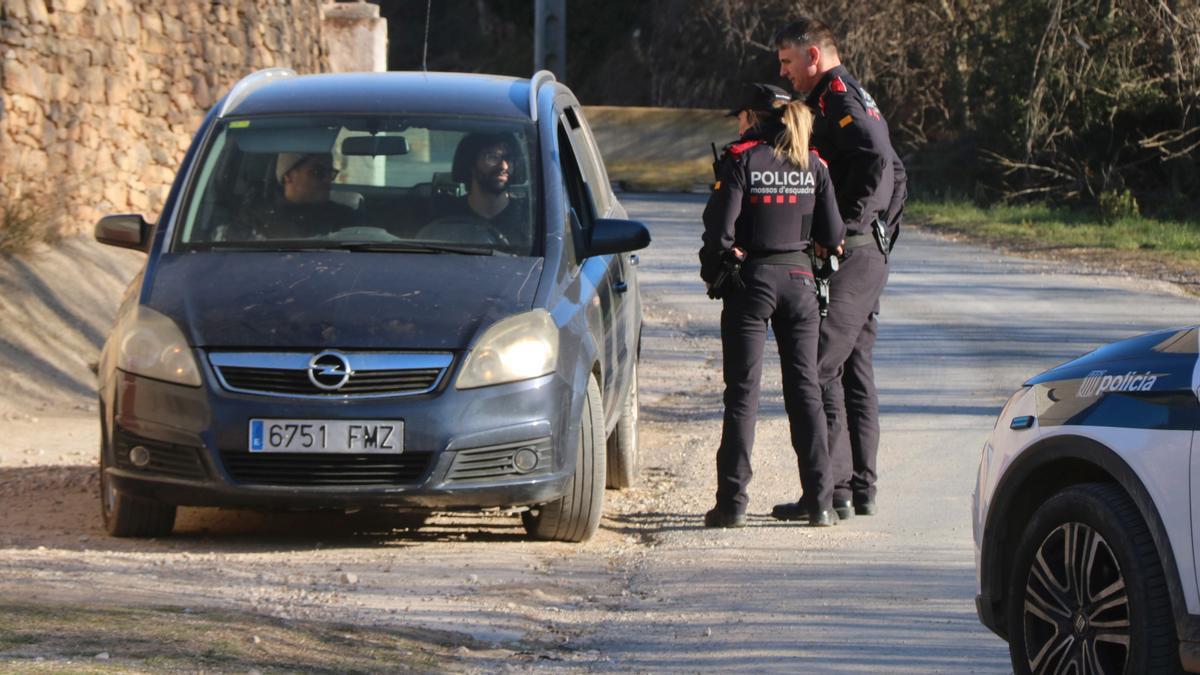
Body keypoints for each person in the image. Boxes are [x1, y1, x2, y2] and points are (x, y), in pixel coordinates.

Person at [770, 18, 908, 522]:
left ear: (813, 55)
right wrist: (884, 232)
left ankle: (825, 492)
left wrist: (847, 229)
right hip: (867, 250)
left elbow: (877, 158)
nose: (785, 75)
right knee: (853, 368)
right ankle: (857, 489)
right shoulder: (844, 95)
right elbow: (898, 168)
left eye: (788, 63)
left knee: (819, 364)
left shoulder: (841, 99)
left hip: (853, 253)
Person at [700, 82, 846, 528]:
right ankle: (820, 501)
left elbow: (720, 233)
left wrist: (716, 271)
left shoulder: (741, 158)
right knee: (806, 391)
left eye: (740, 115)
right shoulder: (812, 162)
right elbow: (834, 234)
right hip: (800, 282)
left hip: (752, 283)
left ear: (752, 116)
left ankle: (732, 504)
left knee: (743, 393)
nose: (738, 123)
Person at [436, 132, 531, 249]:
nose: (504, 166)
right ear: (470, 164)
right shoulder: (446, 218)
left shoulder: (529, 217)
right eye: (492, 157)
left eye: (509, 159)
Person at [241, 152, 357, 240]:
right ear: (288, 176)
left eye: (330, 173)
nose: (328, 180)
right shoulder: (255, 220)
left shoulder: (346, 219)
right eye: (318, 172)